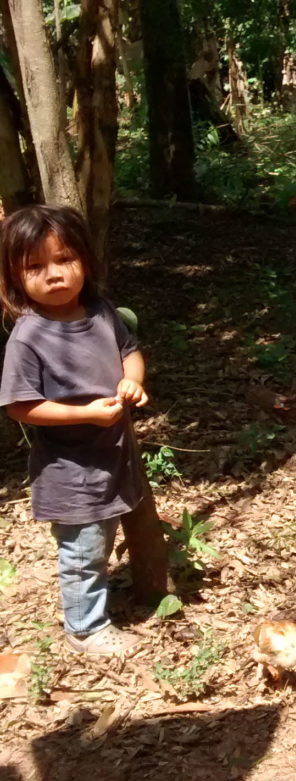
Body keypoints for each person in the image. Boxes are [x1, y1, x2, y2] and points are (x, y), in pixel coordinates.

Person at [0, 204, 148, 656]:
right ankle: (85, 627)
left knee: (103, 536)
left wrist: (133, 381)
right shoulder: (29, 336)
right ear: (15, 277)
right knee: (82, 551)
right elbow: (20, 407)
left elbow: (131, 350)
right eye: (36, 267)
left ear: (85, 258)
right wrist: (84, 414)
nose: (55, 275)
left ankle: (104, 605)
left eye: (65, 259)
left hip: (113, 455)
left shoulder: (101, 310)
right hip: (69, 468)